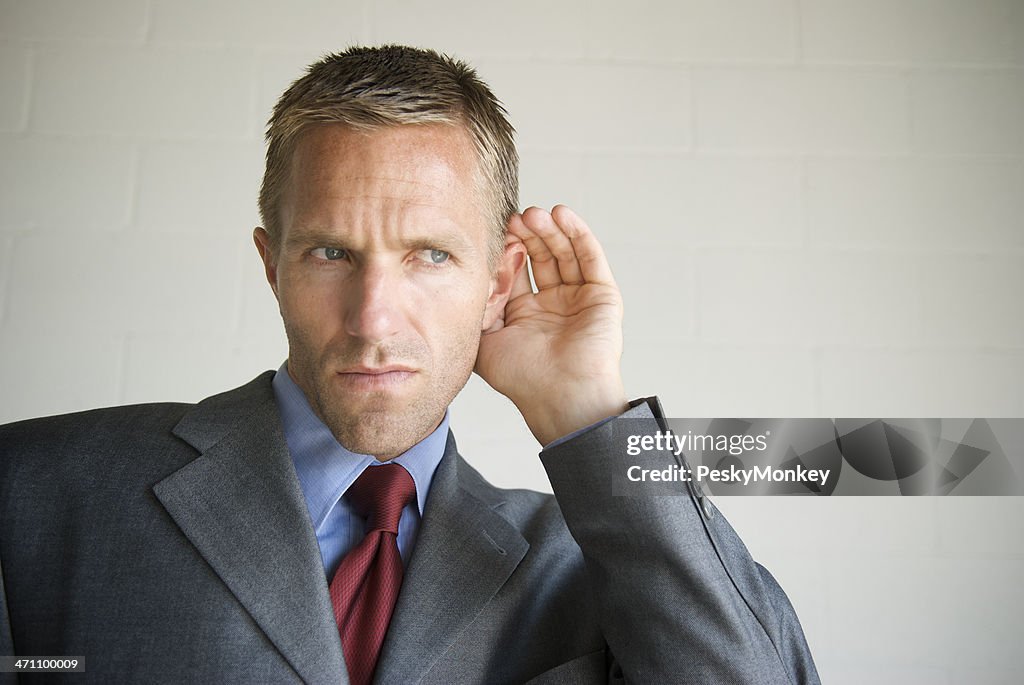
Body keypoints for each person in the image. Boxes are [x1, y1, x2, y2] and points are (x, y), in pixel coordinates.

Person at [0, 45, 820, 684]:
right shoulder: (30, 492)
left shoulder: (592, 564)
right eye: (330, 252)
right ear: (271, 264)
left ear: (499, 280)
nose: (372, 318)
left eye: (430, 254)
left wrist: (589, 415)